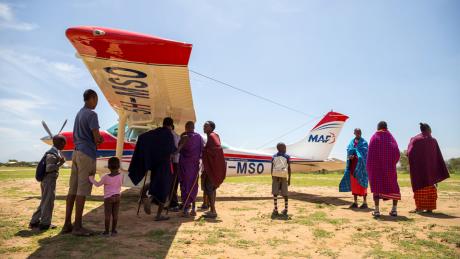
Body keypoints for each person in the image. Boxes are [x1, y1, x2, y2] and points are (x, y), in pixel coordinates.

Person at [63, 89, 104, 236]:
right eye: (97, 99)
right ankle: (78, 226)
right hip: (87, 154)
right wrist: (100, 139)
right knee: (82, 190)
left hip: (76, 153)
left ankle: (67, 224)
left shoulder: (79, 113)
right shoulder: (92, 115)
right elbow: (96, 137)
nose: (97, 103)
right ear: (92, 98)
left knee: (72, 189)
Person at [128, 117, 177, 221]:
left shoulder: (155, 132)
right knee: (165, 188)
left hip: (155, 165)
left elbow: (142, 137)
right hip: (165, 166)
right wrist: (182, 144)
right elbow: (173, 151)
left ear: (163, 123)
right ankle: (158, 213)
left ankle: (148, 198)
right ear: (171, 125)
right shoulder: (169, 134)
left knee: (155, 183)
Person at [407, 123, 450, 213]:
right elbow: (437, 156)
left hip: (419, 172)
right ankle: (429, 208)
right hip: (431, 171)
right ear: (429, 129)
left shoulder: (415, 140)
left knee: (420, 188)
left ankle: (419, 208)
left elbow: (409, 153)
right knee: (430, 188)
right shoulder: (433, 141)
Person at [29, 135, 66, 230]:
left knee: (44, 201)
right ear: (59, 143)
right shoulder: (52, 154)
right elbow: (49, 168)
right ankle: (45, 223)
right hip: (49, 180)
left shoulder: (53, 152)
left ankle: (34, 221)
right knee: (48, 202)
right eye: (64, 143)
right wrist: (60, 164)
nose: (65, 145)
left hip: (46, 180)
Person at [367, 121, 401, 217]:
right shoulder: (391, 138)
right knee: (394, 187)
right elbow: (397, 153)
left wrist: (370, 168)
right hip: (389, 169)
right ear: (386, 127)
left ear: (378, 127)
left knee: (377, 188)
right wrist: (391, 163)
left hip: (376, 169)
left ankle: (377, 211)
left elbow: (370, 155)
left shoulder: (374, 137)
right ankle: (394, 210)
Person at [89, 157, 123, 236]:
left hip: (108, 198)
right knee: (115, 215)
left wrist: (90, 178)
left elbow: (97, 184)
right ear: (119, 166)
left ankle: (106, 232)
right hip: (117, 197)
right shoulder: (121, 175)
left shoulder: (105, 177)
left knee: (107, 215)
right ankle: (114, 231)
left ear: (108, 166)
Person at [178, 121, 204, 217]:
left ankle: (185, 209)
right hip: (194, 166)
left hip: (185, 166)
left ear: (186, 127)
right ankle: (193, 208)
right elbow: (202, 150)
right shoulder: (199, 137)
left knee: (185, 185)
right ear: (193, 127)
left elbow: (179, 148)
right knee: (193, 185)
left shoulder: (184, 136)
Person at [201, 121, 226, 219]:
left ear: (211, 128)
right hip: (213, 167)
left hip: (213, 168)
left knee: (209, 187)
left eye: (206, 126)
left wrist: (204, 150)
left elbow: (217, 148)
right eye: (204, 125)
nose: (204, 127)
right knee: (211, 188)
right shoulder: (214, 135)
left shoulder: (212, 136)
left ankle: (213, 211)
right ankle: (212, 209)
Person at [339, 128, 369, 209]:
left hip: (362, 168)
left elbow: (365, 153)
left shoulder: (364, 142)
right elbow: (348, 150)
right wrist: (350, 155)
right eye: (357, 132)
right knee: (354, 184)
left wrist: (356, 155)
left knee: (363, 184)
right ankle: (355, 202)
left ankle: (365, 203)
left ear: (361, 133)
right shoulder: (351, 142)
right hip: (353, 167)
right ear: (354, 133)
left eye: (359, 132)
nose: (358, 133)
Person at [271, 143, 291, 217]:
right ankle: (286, 209)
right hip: (284, 176)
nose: (285, 149)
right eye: (285, 148)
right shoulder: (287, 156)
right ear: (282, 148)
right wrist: (289, 179)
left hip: (275, 176)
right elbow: (289, 168)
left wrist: (272, 177)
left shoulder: (273, 156)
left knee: (275, 193)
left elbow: (272, 168)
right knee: (285, 193)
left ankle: (276, 209)